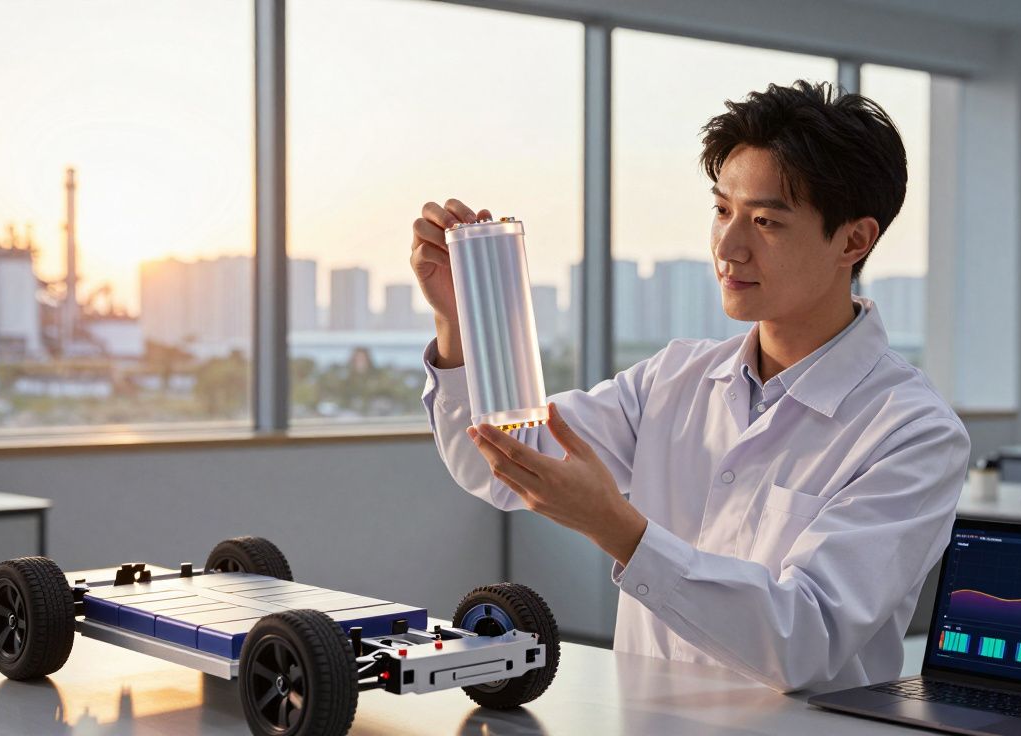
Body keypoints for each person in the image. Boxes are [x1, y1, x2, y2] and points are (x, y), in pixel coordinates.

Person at [409, 80, 970, 693]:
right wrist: (459, 329)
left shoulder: (913, 432)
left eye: (765, 221)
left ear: (854, 240)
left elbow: (806, 640)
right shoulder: (673, 378)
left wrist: (620, 528)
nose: (728, 247)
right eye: (723, 210)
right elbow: (501, 462)